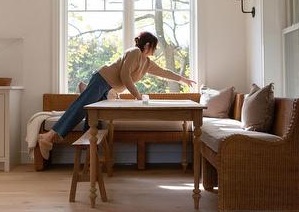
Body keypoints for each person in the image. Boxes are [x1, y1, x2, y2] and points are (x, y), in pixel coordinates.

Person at [38, 31, 197, 159]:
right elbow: (124, 75)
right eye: (154, 47)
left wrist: (183, 80)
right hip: (102, 79)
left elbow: (164, 72)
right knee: (80, 108)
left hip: (108, 87)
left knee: (94, 117)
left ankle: (90, 157)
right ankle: (48, 136)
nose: (155, 51)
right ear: (147, 45)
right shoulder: (134, 52)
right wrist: (137, 95)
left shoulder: (147, 63)